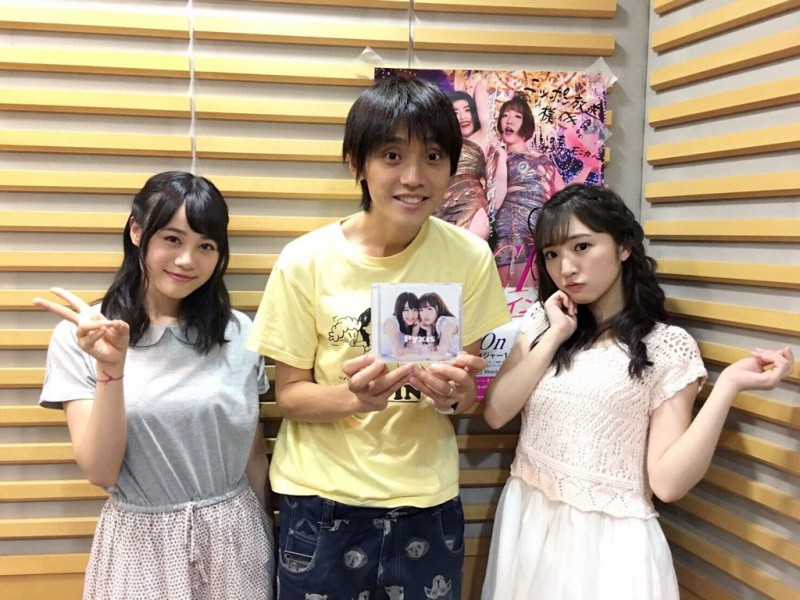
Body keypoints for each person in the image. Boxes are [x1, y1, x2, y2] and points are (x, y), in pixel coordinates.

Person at [247, 76, 510, 600]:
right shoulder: (305, 260)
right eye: (392, 156)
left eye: (432, 157)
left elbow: (463, 393)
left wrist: (456, 394)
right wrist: (354, 398)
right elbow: (290, 396)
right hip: (322, 502)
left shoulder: (469, 257)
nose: (413, 177)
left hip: (426, 500)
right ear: (358, 164)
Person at [481, 184, 794, 599]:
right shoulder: (543, 322)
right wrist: (555, 336)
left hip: (606, 546)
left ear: (624, 246)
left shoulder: (666, 347)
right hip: (530, 517)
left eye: (582, 246)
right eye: (552, 254)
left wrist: (728, 386)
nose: (566, 268)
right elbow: (497, 412)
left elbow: (667, 483)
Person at [35, 171, 276, 599]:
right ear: (136, 232)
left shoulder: (239, 332)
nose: (187, 260)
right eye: (172, 239)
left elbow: (252, 456)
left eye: (206, 246)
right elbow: (100, 470)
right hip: (139, 548)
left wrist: (271, 546)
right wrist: (111, 369)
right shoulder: (83, 337)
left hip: (237, 542)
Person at [493, 93, 565, 289]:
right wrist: (501, 157)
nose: (509, 120)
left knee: (539, 287)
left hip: (542, 224)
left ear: (526, 124)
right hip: (513, 222)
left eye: (517, 116)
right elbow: (496, 199)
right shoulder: (497, 157)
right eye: (505, 115)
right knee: (515, 291)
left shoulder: (543, 158)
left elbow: (563, 194)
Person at [436, 77, 507, 240]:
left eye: (467, 110)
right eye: (456, 112)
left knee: (471, 250)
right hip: (441, 206)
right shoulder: (442, 144)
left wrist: (476, 73)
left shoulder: (482, 137)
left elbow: (481, 92)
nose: (462, 116)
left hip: (471, 204)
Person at [417, 291, 460, 360]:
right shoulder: (435, 326)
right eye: (421, 310)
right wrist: (429, 331)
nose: (425, 314)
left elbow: (440, 354)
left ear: (438, 308)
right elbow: (432, 351)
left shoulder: (447, 323)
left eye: (429, 309)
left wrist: (420, 355)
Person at [381, 291, 424, 358]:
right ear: (399, 310)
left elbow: (408, 348)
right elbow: (398, 354)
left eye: (415, 310)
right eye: (406, 310)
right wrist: (426, 355)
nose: (411, 315)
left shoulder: (414, 324)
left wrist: (415, 331)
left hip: (392, 359)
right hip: (380, 358)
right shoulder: (391, 323)